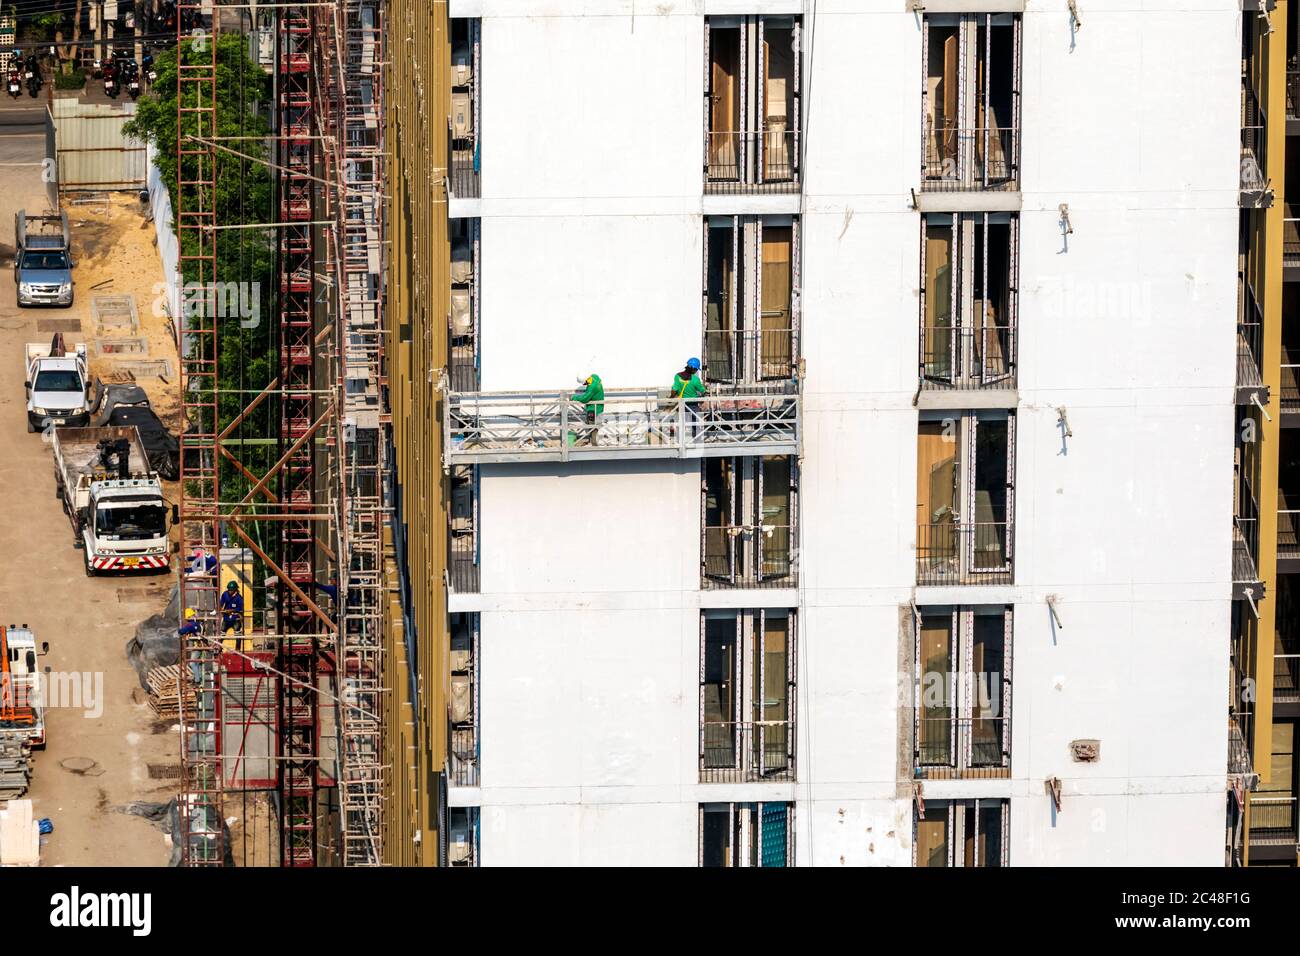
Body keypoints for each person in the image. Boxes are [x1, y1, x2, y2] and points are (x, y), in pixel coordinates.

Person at [672, 358, 707, 439]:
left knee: (681, 423)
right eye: (696, 370)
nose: (696, 371)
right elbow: (703, 391)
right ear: (693, 369)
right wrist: (703, 396)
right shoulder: (695, 379)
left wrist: (671, 398)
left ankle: (679, 441)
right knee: (695, 423)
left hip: (681, 404)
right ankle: (696, 440)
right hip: (693, 404)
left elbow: (674, 390)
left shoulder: (677, 376)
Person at [571, 372, 605, 446]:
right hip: (597, 407)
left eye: (584, 383)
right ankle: (592, 442)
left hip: (594, 409)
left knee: (593, 427)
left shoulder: (592, 386)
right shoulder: (594, 377)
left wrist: (574, 397)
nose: (584, 385)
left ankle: (594, 445)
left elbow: (585, 398)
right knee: (592, 425)